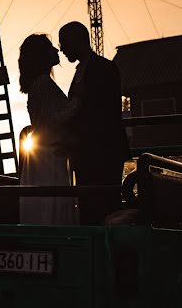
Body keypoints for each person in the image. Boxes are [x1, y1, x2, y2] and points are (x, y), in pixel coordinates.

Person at [58, 21, 130, 223]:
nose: (62, 49)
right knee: (89, 206)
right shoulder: (89, 69)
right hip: (87, 152)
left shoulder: (104, 68)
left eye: (64, 43)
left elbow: (104, 112)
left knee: (104, 207)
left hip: (102, 152)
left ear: (77, 40)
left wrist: (74, 137)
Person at [17, 33, 78, 225]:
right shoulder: (43, 84)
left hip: (45, 154)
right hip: (50, 155)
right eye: (50, 47)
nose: (56, 50)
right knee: (54, 203)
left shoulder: (39, 84)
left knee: (46, 205)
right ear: (41, 55)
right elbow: (50, 122)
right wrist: (77, 105)